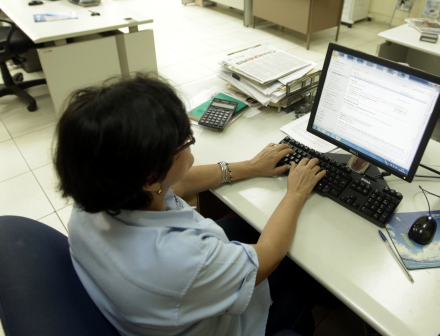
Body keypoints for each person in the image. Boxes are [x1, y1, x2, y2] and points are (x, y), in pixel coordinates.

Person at [55, 74, 328, 336]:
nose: (189, 142)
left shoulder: (96, 191)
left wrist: (250, 167)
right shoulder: (181, 260)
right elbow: (267, 256)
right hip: (230, 324)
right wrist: (295, 192)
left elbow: (178, 184)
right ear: (151, 177)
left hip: (167, 299)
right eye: (186, 139)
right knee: (306, 273)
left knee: (252, 227)